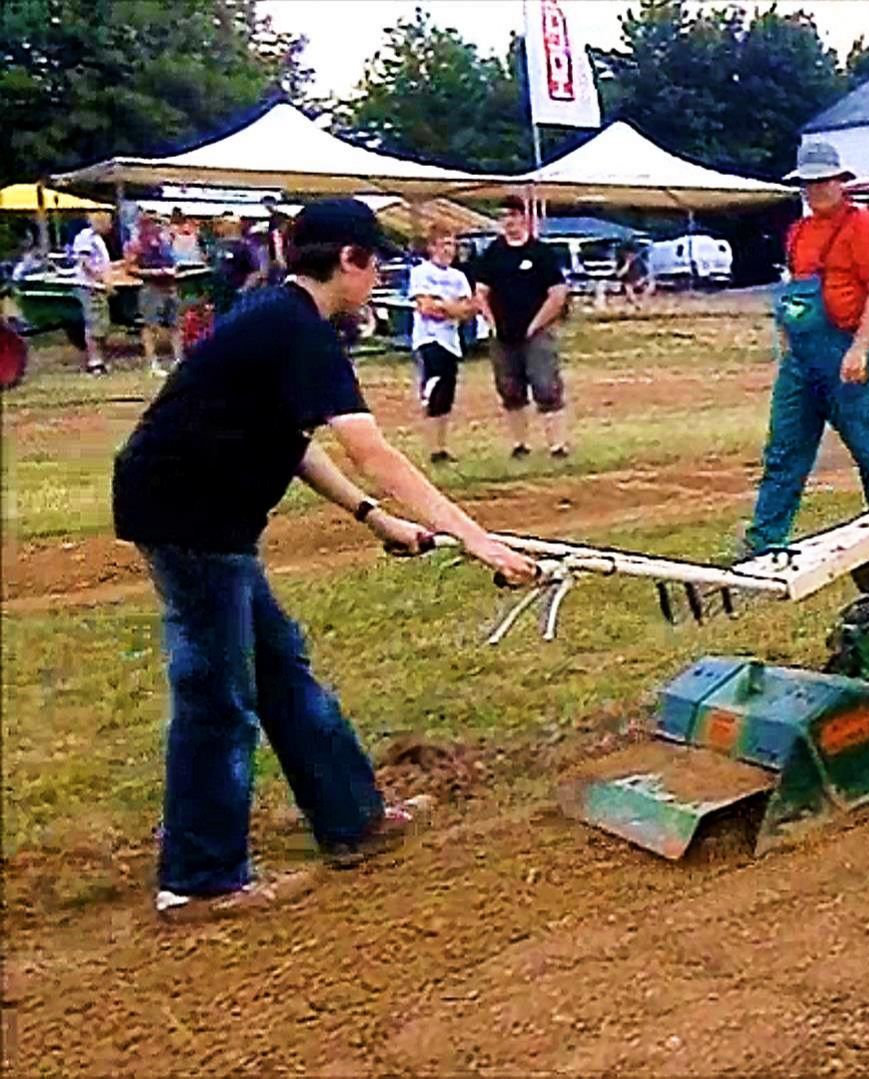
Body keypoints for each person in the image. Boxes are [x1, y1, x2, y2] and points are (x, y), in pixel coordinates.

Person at [111, 199, 538, 923]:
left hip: (203, 515)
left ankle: (352, 819)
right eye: (378, 264)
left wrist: (372, 518)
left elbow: (292, 439)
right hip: (189, 518)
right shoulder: (296, 330)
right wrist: (478, 536)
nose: (379, 280)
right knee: (217, 694)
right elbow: (372, 451)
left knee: (281, 667)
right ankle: (200, 878)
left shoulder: (277, 319)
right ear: (350, 260)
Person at [743, 142, 869, 556]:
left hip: (843, 353)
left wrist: (859, 349)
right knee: (784, 450)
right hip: (799, 360)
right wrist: (787, 342)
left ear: (840, 181)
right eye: (807, 183)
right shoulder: (798, 233)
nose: (815, 190)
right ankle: (763, 541)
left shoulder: (861, 225)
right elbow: (795, 294)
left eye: (822, 181)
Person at [471, 195, 570, 459]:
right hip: (503, 334)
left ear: (525, 218)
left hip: (536, 332)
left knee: (546, 387)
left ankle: (557, 445)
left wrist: (536, 324)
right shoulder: (493, 253)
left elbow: (558, 294)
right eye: (504, 216)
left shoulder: (541, 252)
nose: (509, 222)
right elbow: (480, 292)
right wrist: (491, 323)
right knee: (510, 390)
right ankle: (520, 445)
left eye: (514, 216)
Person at [407, 224, 476, 464]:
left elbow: (469, 309)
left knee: (447, 393)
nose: (449, 250)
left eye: (452, 245)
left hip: (451, 340)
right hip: (429, 338)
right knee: (435, 389)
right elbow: (425, 307)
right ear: (432, 247)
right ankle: (433, 445)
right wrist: (450, 307)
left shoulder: (458, 277)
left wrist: (444, 306)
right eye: (444, 244)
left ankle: (441, 446)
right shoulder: (421, 272)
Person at [128, 211, 183, 376]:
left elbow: (175, 262)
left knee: (175, 325)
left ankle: (179, 360)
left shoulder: (167, 242)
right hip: (151, 287)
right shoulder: (137, 243)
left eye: (159, 221)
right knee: (150, 326)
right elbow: (130, 268)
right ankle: (152, 363)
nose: (157, 225)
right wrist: (153, 273)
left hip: (170, 286)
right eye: (152, 221)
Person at [69, 210, 115, 376]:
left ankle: (100, 360)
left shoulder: (97, 239)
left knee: (101, 324)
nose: (111, 226)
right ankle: (94, 362)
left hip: (98, 287)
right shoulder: (85, 237)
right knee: (93, 324)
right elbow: (85, 261)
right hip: (89, 286)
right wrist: (101, 279)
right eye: (109, 222)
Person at [207, 214, 258, 315]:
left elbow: (255, 272)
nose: (221, 226)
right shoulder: (216, 246)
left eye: (224, 223)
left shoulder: (244, 246)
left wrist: (244, 289)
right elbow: (211, 266)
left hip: (236, 295)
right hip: (218, 295)